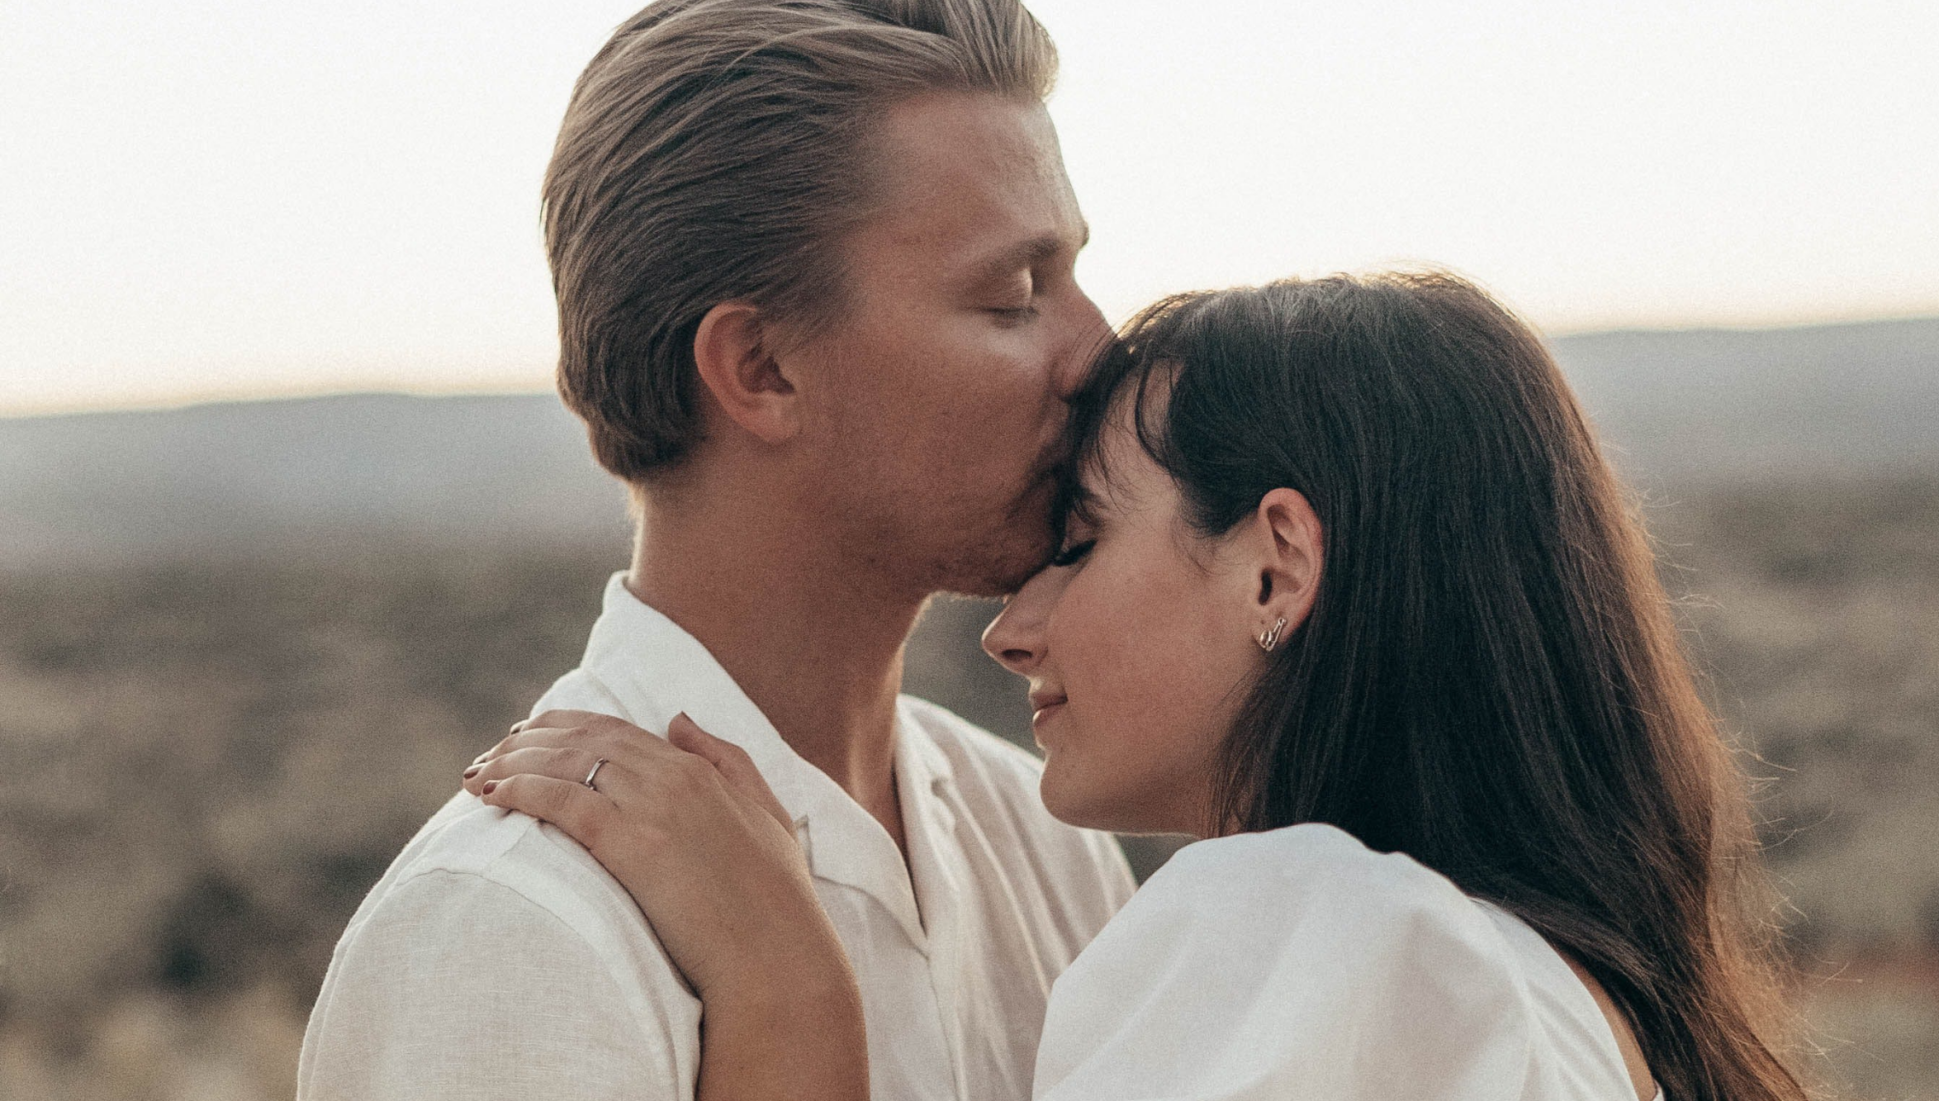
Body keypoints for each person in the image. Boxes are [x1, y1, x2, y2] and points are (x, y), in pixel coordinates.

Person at [464, 271, 1815, 1101]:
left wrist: (788, 997)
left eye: (1084, 540)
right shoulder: (1554, 986)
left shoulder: (1315, 938)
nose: (1014, 628)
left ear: (1276, 566)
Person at [298, 0, 1137, 1101]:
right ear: (760, 368)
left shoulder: (1043, 838)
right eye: (1012, 296)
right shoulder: (514, 929)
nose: (1098, 352)